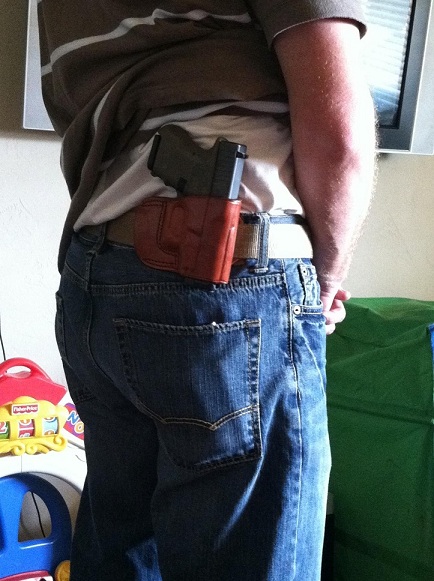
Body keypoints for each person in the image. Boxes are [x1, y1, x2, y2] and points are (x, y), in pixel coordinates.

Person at [38, 2, 376, 579]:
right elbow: (339, 136)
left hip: (99, 271)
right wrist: (325, 280)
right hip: (223, 286)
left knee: (120, 540)